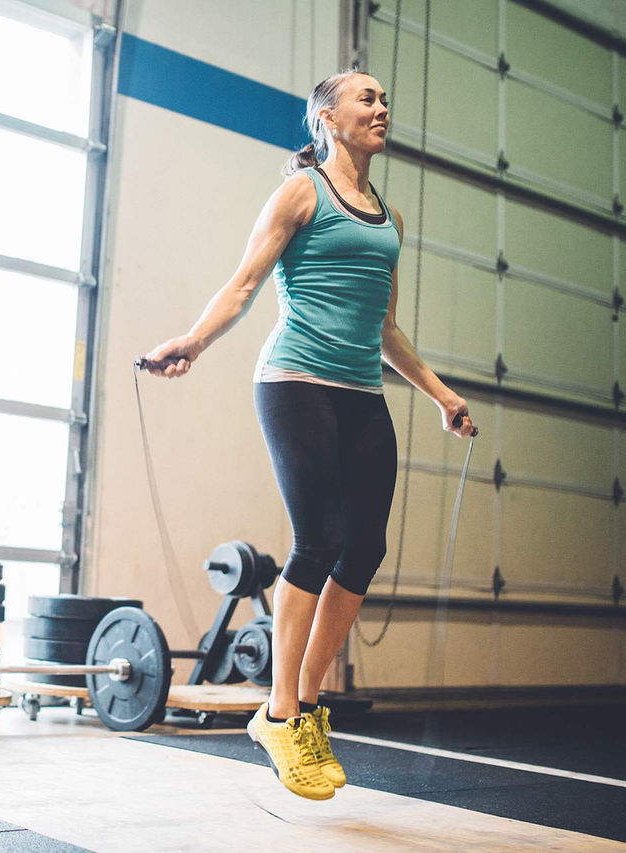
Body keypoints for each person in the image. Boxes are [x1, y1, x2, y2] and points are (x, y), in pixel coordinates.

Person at [142, 70, 476, 800]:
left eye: (387, 98)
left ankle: (307, 706)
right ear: (327, 117)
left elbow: (386, 330)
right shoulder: (302, 193)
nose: (383, 107)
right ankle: (281, 709)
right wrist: (194, 342)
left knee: (366, 547)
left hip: (360, 393)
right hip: (294, 382)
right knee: (318, 538)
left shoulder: (388, 219)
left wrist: (443, 396)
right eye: (368, 98)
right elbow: (243, 283)